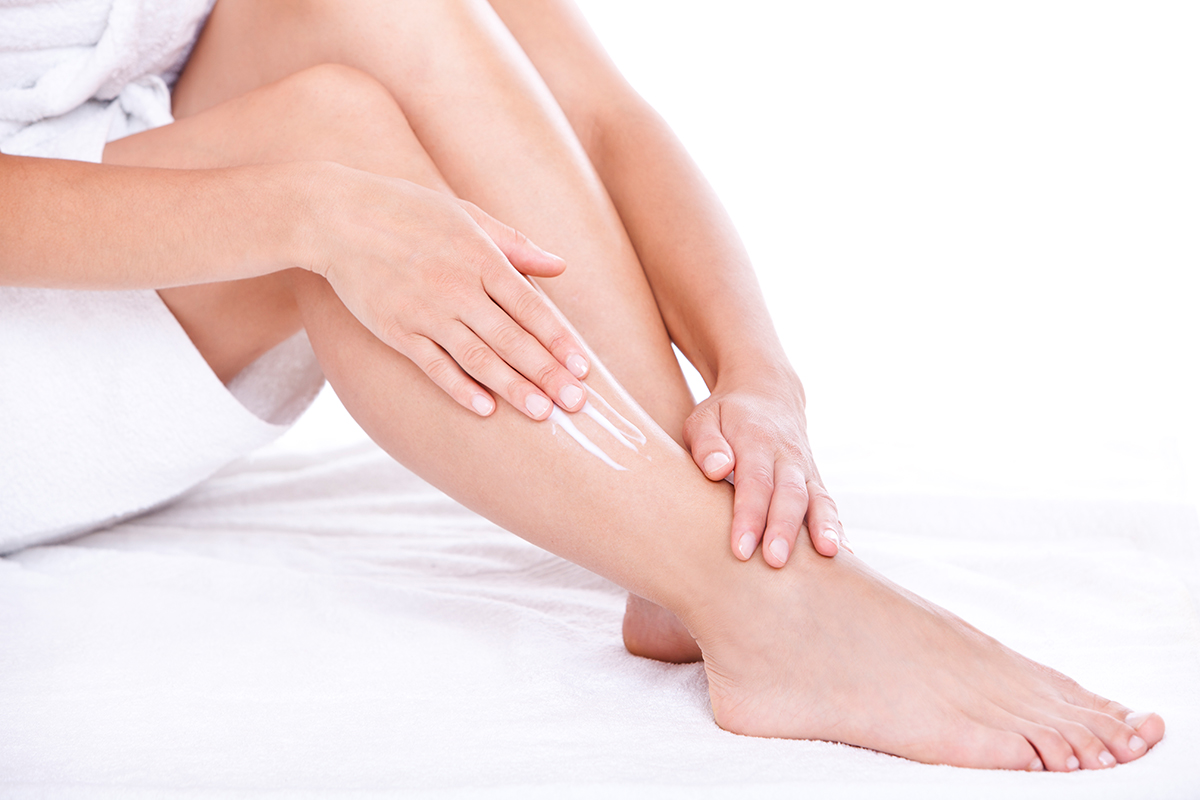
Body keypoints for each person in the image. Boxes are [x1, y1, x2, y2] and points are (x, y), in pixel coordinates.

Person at [0, 0, 1164, 772]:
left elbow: (591, 107)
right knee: (329, 127)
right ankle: (766, 604)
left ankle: (701, 541)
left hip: (134, 200)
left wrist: (756, 374)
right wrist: (318, 209)